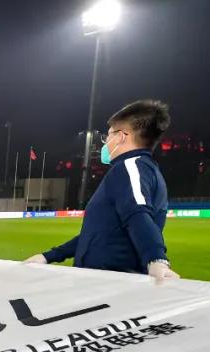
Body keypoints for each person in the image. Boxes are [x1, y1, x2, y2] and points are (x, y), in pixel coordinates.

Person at [24, 100, 180, 282]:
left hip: (111, 282)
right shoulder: (140, 170)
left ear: (121, 137)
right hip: (101, 281)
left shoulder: (130, 167)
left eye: (108, 136)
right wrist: (48, 256)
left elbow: (138, 214)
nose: (106, 143)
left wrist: (157, 260)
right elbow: (96, 235)